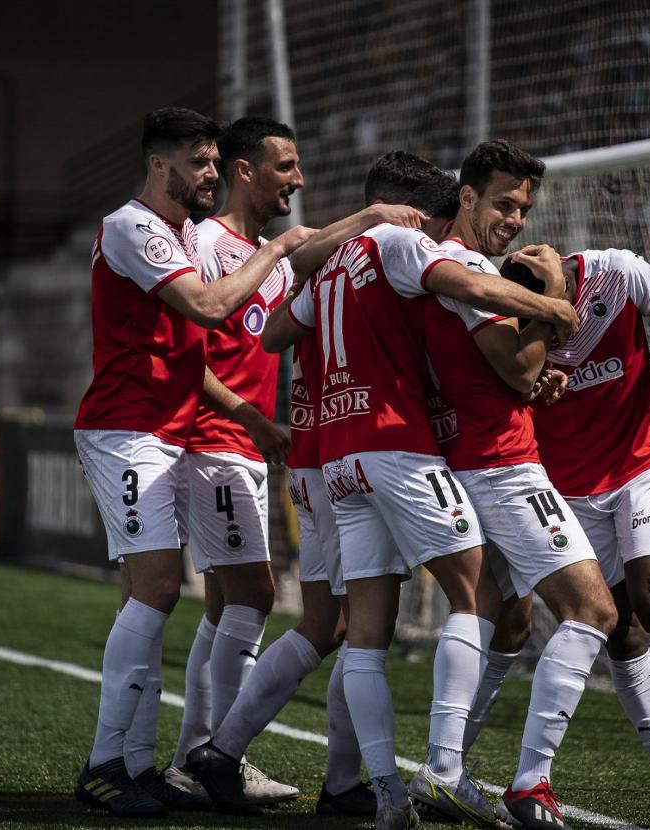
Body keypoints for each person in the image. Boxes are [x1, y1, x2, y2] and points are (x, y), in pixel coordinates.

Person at [234, 155, 578, 830]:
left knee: (362, 635)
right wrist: (552, 303)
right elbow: (467, 287)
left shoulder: (334, 262)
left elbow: (273, 332)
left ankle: (386, 791)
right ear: (420, 210)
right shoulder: (400, 242)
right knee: (476, 592)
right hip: (395, 442)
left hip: (336, 457)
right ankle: (445, 771)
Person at [71, 106, 313, 818]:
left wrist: (243, 414)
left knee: (158, 592)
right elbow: (209, 308)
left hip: (168, 430)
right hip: (126, 428)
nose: (210, 173)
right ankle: (109, 762)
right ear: (159, 163)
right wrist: (278, 250)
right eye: (199, 162)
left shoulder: (177, 232)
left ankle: (142, 764)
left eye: (214, 162)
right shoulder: (133, 226)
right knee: (156, 588)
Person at [183, 151, 434, 818]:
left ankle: (231, 753)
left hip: (314, 455)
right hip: (356, 452)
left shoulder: (330, 266)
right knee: (357, 625)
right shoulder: (391, 260)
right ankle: (374, 776)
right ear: (405, 210)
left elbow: (277, 337)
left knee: (329, 622)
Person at [478, 248, 650, 830]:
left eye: (535, 313)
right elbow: (510, 389)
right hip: (571, 493)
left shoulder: (618, 272)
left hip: (638, 470)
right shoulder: (512, 329)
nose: (528, 326)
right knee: (621, 634)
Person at [412, 141, 617, 830]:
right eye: (504, 203)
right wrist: (554, 296)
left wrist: (532, 375)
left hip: (470, 455)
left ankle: (445, 770)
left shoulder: (447, 267)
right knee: (594, 611)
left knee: (511, 617)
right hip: (500, 467)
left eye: (524, 208)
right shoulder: (468, 267)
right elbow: (518, 369)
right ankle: (529, 785)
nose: (515, 219)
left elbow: (511, 373)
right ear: (465, 196)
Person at [160, 115, 310, 809]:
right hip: (213, 443)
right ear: (244, 171)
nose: (298, 180)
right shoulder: (208, 243)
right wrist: (250, 417)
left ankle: (197, 755)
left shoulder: (264, 257)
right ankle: (222, 755)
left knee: (225, 604)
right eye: (284, 166)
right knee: (254, 594)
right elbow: (189, 361)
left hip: (242, 447)